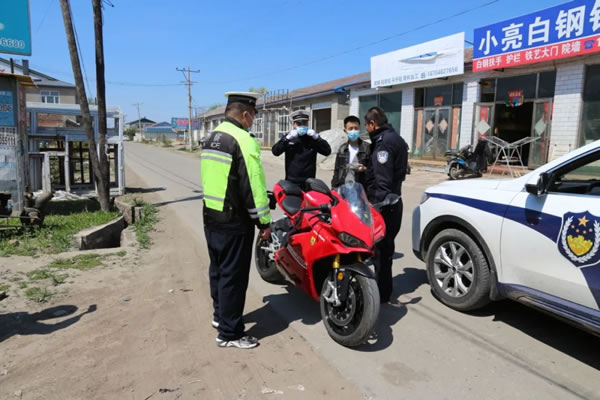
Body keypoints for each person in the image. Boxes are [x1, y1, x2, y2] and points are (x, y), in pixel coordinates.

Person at [200, 91, 272, 349]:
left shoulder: (213, 136)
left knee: (218, 270)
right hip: (234, 220)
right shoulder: (243, 140)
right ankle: (230, 334)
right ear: (245, 114)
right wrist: (263, 222)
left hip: (211, 214)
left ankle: (220, 316)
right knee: (234, 276)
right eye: (253, 116)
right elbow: (252, 186)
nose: (253, 121)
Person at [364, 107, 409, 304]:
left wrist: (375, 207)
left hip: (384, 205)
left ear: (372, 124)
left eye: (366, 126)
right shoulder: (396, 138)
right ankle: (384, 289)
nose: (366, 130)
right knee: (386, 250)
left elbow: (383, 180)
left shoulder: (383, 144)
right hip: (395, 201)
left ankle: (382, 295)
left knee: (381, 253)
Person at [271, 110, 331, 190]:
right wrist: (286, 139)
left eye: (304, 123)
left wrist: (317, 138)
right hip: (292, 181)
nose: (302, 126)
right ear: (294, 124)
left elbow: (327, 151)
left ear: (308, 124)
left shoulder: (312, 138)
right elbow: (275, 151)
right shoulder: (289, 138)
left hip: (309, 181)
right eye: (299, 124)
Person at [331, 115, 370, 189]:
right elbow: (336, 171)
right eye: (350, 128)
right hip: (344, 188)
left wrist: (364, 169)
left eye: (356, 128)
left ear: (359, 129)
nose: (353, 131)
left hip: (361, 189)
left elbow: (374, 171)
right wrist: (334, 188)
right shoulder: (342, 149)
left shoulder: (367, 148)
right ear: (345, 131)